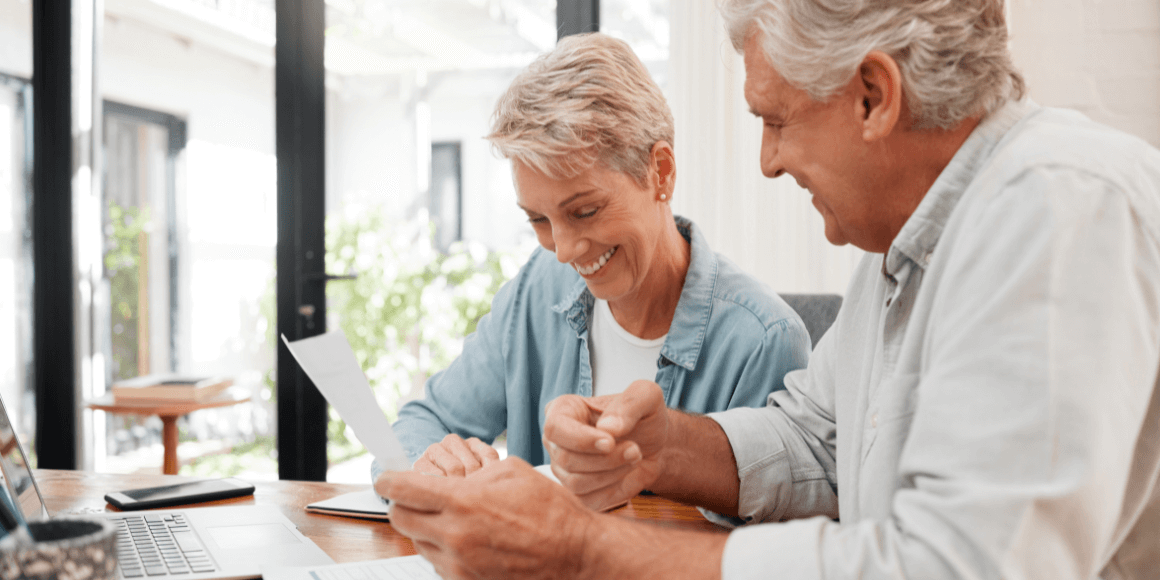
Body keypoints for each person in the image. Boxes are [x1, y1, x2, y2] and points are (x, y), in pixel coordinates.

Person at [376, 0, 1160, 578]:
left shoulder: (1059, 206)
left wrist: (581, 549)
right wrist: (661, 446)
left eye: (775, 120)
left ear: (873, 96)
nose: (767, 162)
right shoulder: (905, 251)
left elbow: (961, 564)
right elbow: (817, 442)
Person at [385, 32, 810, 477]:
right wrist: (430, 461)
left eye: (584, 211)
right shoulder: (539, 288)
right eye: (539, 220)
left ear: (660, 171)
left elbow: (757, 534)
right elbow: (421, 422)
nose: (564, 250)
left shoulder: (764, 342)